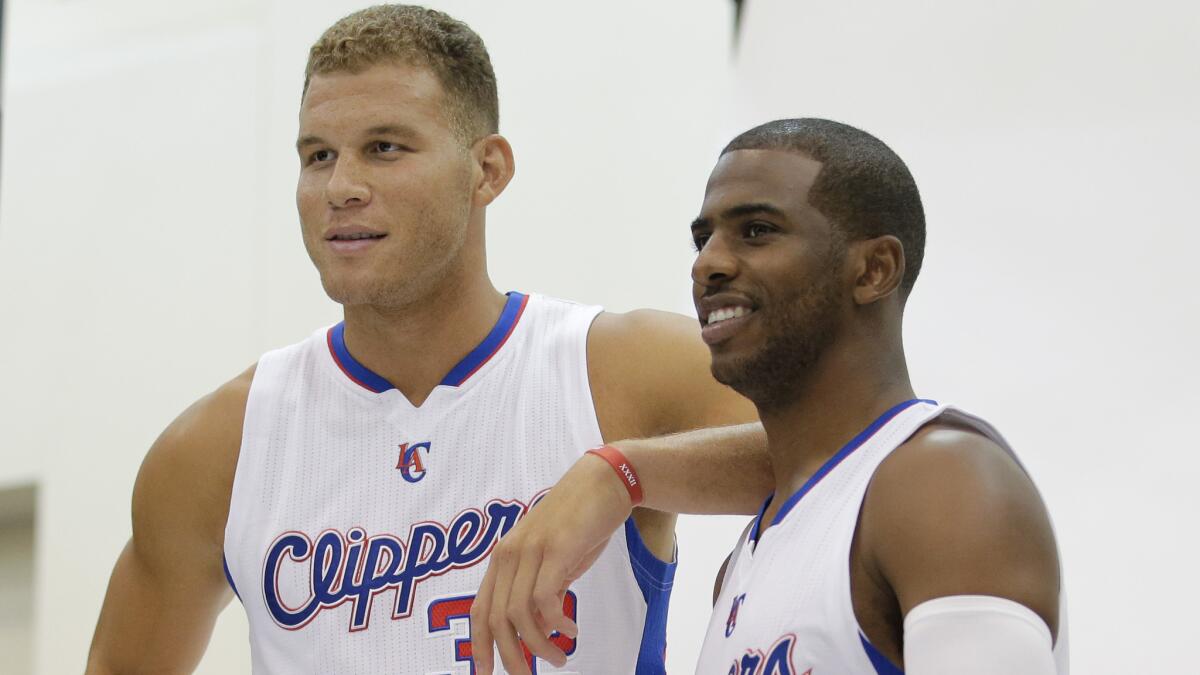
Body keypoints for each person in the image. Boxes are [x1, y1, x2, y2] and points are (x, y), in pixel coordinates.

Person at [83, 6, 771, 674]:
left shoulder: (621, 368)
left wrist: (623, 473)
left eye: (384, 148)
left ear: (488, 170)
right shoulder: (219, 447)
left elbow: (850, 451)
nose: (341, 186)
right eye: (318, 155)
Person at [470, 118, 1068, 675]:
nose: (709, 264)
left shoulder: (942, 483)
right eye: (703, 239)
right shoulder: (752, 553)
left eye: (757, 231)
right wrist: (620, 471)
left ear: (873, 270)